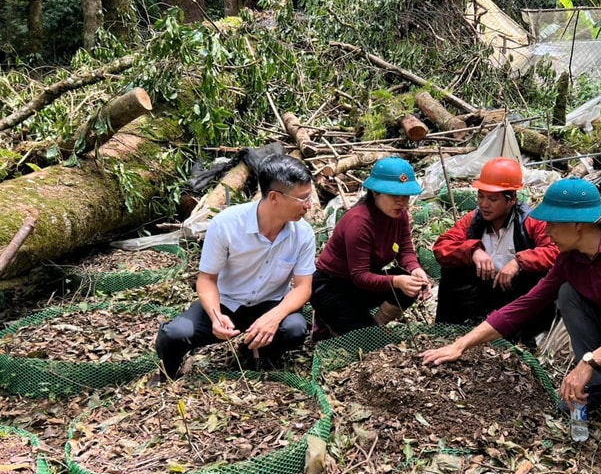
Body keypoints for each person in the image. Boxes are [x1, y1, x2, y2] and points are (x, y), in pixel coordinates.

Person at [422, 177, 601, 443]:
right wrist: (461, 344)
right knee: (568, 293)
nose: (547, 232)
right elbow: (526, 304)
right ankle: (600, 389)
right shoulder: (572, 258)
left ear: (577, 224)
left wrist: (588, 362)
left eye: (552, 224)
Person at [154, 154, 317, 379]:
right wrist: (215, 317)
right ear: (274, 197)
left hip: (269, 303)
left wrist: (274, 317)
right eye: (303, 198)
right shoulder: (227, 224)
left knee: (294, 329)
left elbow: (303, 287)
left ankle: (257, 352)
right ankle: (167, 372)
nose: (309, 205)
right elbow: (207, 279)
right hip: (226, 302)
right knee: (175, 334)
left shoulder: (303, 234)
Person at [433, 157, 558, 341]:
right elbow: (442, 246)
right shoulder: (473, 220)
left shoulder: (530, 222)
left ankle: (526, 335)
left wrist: (519, 262)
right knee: (452, 269)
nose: (484, 204)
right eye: (481, 196)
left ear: (512, 199)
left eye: (492, 199)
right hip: (483, 288)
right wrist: (473, 251)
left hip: (519, 293)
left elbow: (555, 250)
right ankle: (450, 330)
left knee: (539, 277)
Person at [310, 157, 431, 336]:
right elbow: (359, 275)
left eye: (405, 196)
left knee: (409, 283)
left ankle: (373, 326)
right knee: (363, 339)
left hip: (362, 284)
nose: (401, 202)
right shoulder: (359, 222)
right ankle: (330, 321)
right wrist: (396, 281)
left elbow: (405, 250)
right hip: (332, 286)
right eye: (394, 195)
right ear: (375, 193)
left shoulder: (400, 216)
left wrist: (415, 269)